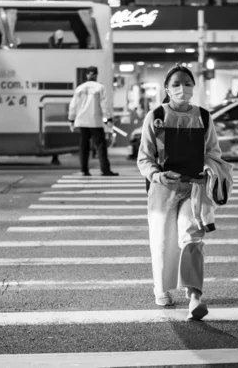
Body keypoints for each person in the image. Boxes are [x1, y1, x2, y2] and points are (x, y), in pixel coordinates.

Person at [137, 65, 223, 320]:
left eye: (187, 83)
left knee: (192, 237)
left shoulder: (204, 117)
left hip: (194, 189)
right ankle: (161, 289)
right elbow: (144, 158)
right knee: (163, 243)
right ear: (166, 88)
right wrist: (157, 175)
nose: (181, 89)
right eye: (176, 84)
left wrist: (208, 167)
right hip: (162, 191)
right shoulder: (155, 117)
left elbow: (213, 153)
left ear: (194, 87)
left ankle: (195, 295)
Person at [68, 66, 118, 176]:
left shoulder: (80, 88)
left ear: (86, 75)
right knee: (100, 146)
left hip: (82, 121)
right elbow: (104, 105)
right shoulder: (100, 88)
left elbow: (73, 106)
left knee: (83, 147)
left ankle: (84, 170)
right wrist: (108, 118)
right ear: (96, 75)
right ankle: (105, 170)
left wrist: (71, 120)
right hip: (95, 121)